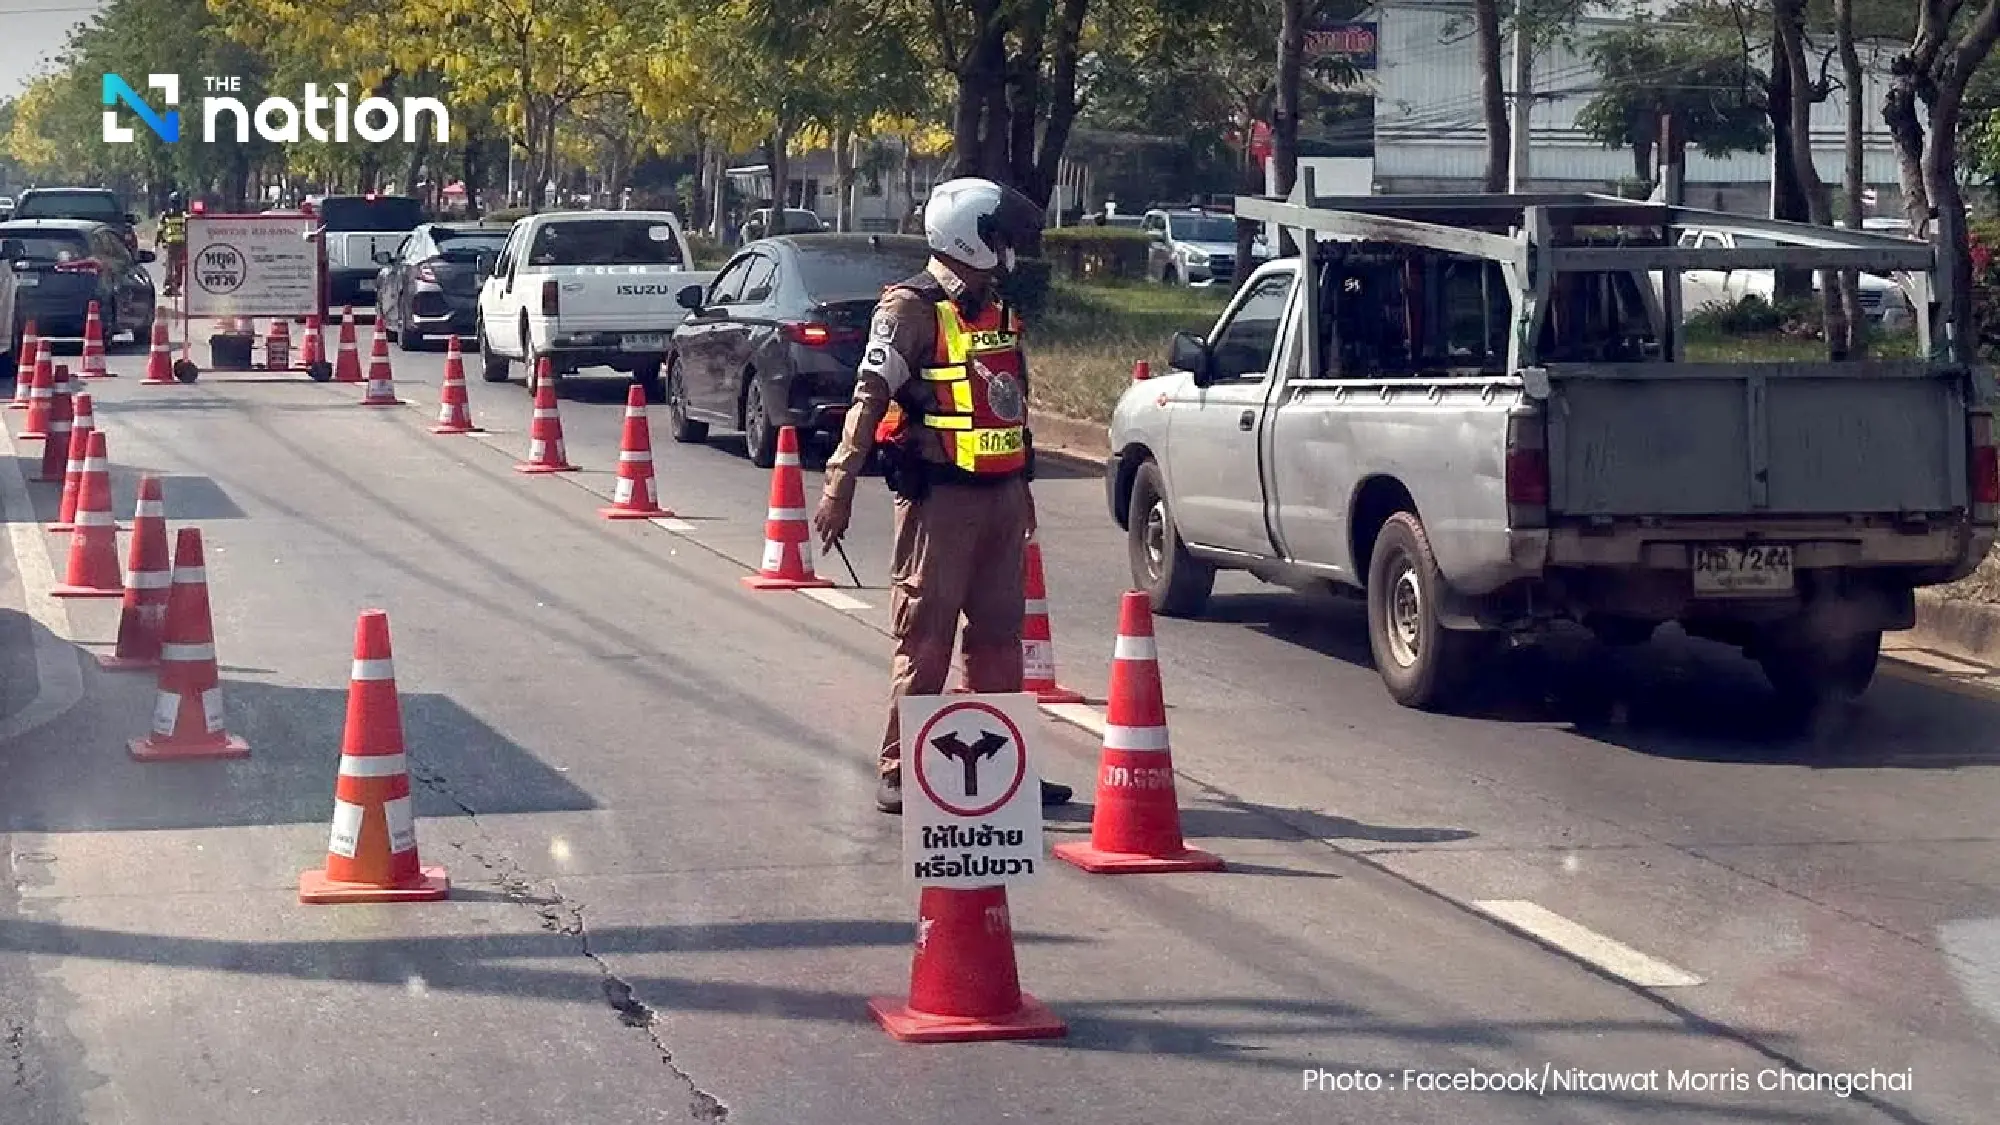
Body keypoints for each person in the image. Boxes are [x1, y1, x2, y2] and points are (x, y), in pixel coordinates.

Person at [812, 177, 1075, 815]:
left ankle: (1004, 770)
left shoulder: (996, 309)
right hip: (940, 500)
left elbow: (1011, 406)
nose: (1007, 250)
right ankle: (901, 770)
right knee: (925, 637)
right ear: (967, 237)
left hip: (1000, 494)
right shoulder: (910, 309)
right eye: (998, 236)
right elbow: (869, 398)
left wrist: (1023, 487)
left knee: (999, 639)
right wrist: (839, 484)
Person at [156, 192, 188, 297]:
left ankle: (169, 286)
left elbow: (160, 230)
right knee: (178, 266)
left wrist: (158, 242)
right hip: (181, 243)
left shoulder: (166, 214)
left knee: (170, 265)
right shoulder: (183, 215)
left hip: (171, 243)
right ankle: (175, 287)